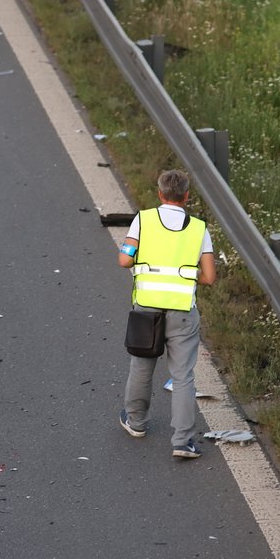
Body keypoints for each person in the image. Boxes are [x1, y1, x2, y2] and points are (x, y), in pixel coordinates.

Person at [117, 169, 217, 458]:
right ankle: (183, 441)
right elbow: (209, 277)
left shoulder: (143, 220)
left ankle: (136, 422)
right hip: (183, 311)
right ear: (187, 197)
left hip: (147, 308)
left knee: (141, 366)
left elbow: (125, 259)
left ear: (159, 194)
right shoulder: (199, 228)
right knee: (183, 375)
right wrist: (183, 276)